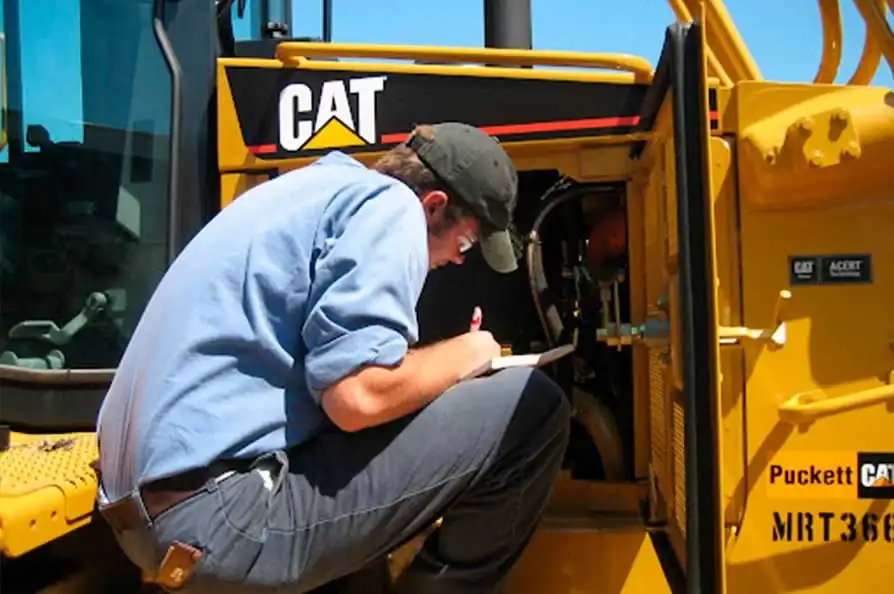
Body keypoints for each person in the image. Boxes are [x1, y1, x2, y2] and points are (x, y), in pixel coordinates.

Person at [95, 122, 571, 594]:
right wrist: (470, 352)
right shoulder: (392, 207)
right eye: (465, 243)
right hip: (217, 519)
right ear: (435, 206)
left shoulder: (309, 189)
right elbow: (357, 397)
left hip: (146, 514)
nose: (460, 260)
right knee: (533, 409)